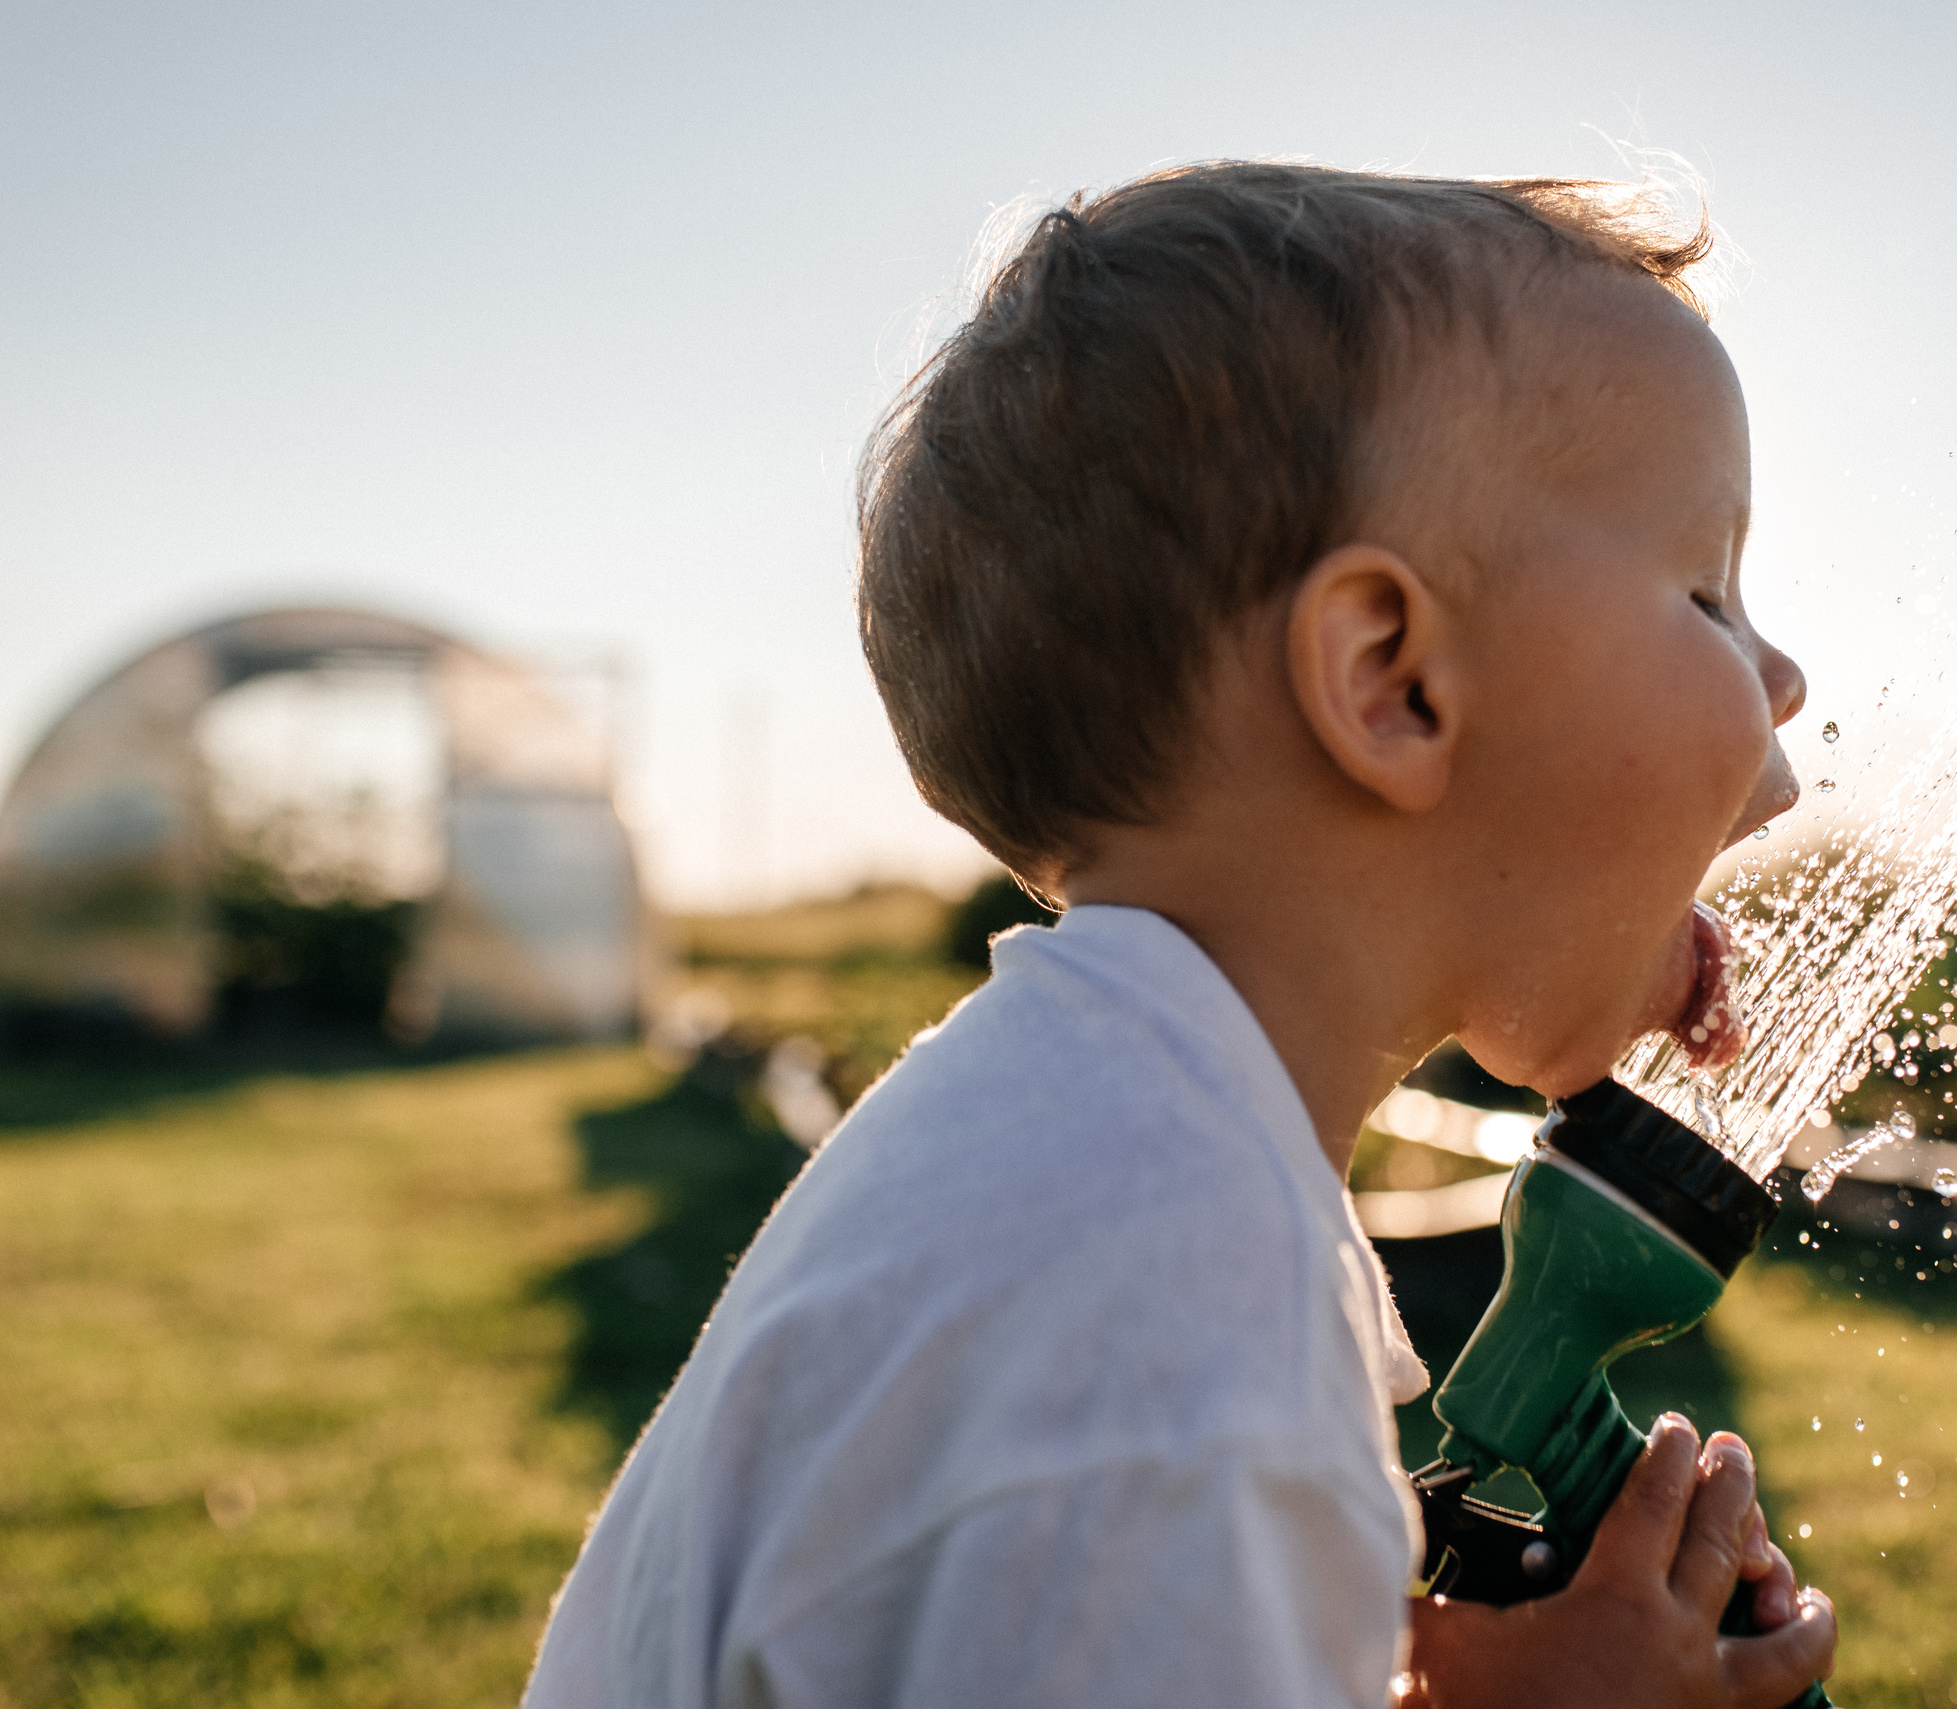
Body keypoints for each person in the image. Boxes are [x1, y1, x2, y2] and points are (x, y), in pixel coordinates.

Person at [524, 161, 1835, 1709]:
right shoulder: (1170, 1337)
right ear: (1392, 678)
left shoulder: (1091, 1158)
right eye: (1704, 588)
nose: (1785, 676)